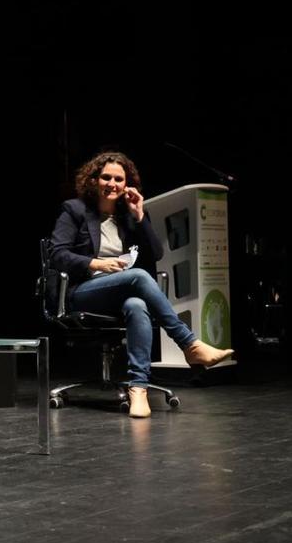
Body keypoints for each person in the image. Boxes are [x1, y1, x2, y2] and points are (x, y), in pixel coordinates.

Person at [49, 148, 234, 418]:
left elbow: (157, 253)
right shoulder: (74, 210)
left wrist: (139, 215)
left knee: (136, 304)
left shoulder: (128, 214)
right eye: (106, 177)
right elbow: (57, 253)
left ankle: (138, 388)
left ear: (127, 185)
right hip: (84, 291)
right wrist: (95, 263)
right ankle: (190, 344)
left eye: (119, 179)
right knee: (139, 277)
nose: (112, 184)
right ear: (93, 180)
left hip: (122, 290)